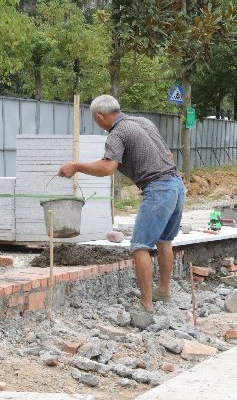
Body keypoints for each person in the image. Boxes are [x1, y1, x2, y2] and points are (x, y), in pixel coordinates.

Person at [57, 95, 185, 310]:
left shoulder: (117, 133)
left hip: (159, 188)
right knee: (164, 241)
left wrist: (76, 166)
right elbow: (169, 155)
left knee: (140, 247)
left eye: (96, 120)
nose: (97, 124)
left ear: (100, 116)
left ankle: (146, 305)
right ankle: (162, 292)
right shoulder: (144, 122)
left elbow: (108, 168)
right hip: (176, 185)